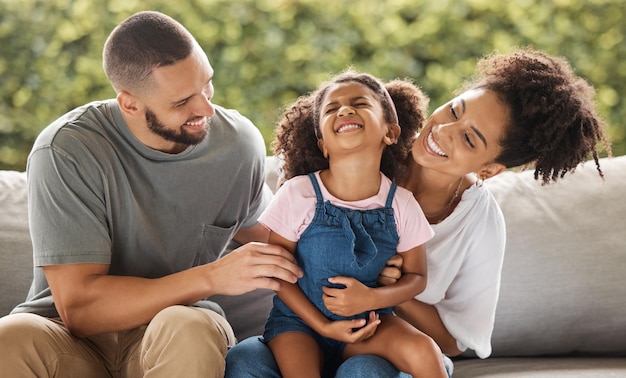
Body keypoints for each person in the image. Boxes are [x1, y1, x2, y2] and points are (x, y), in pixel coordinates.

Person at [225, 48, 610, 377]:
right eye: (455, 110)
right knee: (245, 360)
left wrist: (387, 291)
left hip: (379, 343)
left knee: (365, 371)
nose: (443, 132)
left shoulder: (473, 221)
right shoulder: (362, 147)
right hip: (303, 328)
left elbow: (452, 344)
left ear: (490, 169)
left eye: (469, 138)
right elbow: (282, 247)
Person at [0, 10, 303, 378]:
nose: (206, 108)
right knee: (9, 337)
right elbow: (80, 311)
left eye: (206, 85)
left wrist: (378, 259)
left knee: (187, 328)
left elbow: (275, 240)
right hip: (71, 341)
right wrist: (210, 277)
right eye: (182, 102)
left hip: (174, 330)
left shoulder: (236, 144)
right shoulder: (67, 150)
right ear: (129, 104)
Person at [257, 70, 448, 377]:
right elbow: (277, 273)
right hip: (300, 324)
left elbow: (417, 277)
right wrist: (323, 325)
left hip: (369, 321)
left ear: (390, 132)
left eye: (360, 103)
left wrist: (372, 298)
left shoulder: (401, 204)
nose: (345, 110)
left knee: (424, 349)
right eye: (332, 109)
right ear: (323, 145)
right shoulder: (299, 193)